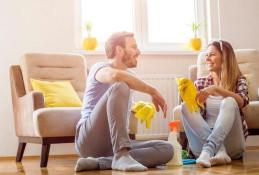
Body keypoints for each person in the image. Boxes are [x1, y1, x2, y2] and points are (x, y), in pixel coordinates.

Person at [74, 31, 173, 172]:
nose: (138, 52)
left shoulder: (130, 77)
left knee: (167, 149)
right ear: (119, 50)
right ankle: (120, 156)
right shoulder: (100, 68)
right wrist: (152, 91)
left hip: (114, 143)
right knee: (121, 85)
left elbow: (117, 111)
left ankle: (99, 162)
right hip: (89, 139)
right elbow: (115, 76)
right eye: (134, 47)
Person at [180, 40, 249, 168]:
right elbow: (195, 117)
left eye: (212, 54)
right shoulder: (200, 83)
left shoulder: (239, 80)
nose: (207, 58)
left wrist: (217, 89)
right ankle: (218, 151)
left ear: (225, 57)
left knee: (229, 101)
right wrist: (188, 96)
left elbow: (242, 102)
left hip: (231, 145)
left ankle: (211, 150)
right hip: (202, 143)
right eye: (206, 55)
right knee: (185, 106)